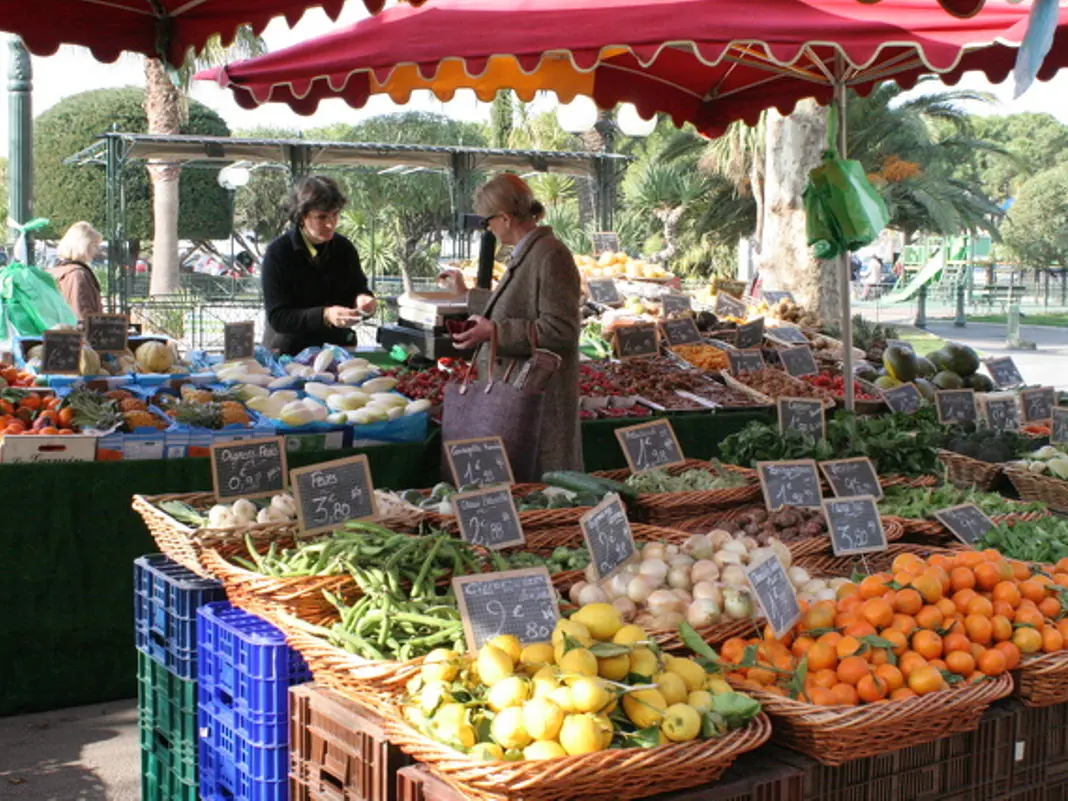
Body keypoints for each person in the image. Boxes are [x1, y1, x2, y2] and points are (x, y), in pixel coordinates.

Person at [446, 173, 583, 473]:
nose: (488, 228)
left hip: (539, 404)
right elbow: (517, 304)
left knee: (543, 486)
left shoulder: (551, 255)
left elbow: (562, 330)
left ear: (505, 219)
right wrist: (468, 295)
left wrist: (494, 332)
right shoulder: (531, 251)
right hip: (521, 398)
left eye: (488, 221)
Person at [261, 175, 376, 355]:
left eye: (335, 214)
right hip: (289, 355)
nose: (331, 224)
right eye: (321, 217)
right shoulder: (278, 253)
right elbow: (278, 317)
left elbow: (358, 289)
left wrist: (363, 301)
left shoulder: (345, 248)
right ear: (301, 217)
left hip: (338, 352)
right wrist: (325, 315)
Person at [49, 221, 104, 320]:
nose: (97, 250)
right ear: (83, 245)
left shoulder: (56, 271)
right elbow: (82, 313)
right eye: (94, 245)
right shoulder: (78, 274)